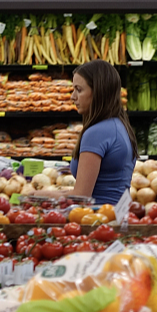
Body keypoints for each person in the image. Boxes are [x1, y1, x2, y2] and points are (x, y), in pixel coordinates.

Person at [32, 60, 137, 205]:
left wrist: (41, 195)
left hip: (98, 217)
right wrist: (59, 192)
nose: (72, 96)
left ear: (98, 91)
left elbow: (81, 195)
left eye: (79, 90)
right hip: (119, 214)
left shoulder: (96, 133)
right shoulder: (120, 125)